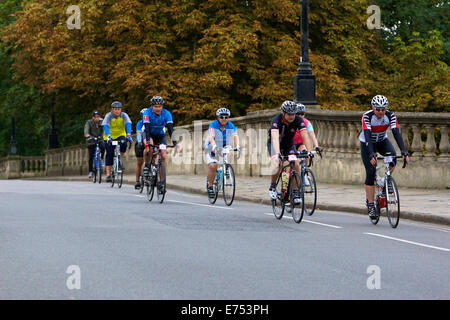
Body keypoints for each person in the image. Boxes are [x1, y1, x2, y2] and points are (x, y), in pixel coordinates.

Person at [359, 95, 409, 219]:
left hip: (382, 140)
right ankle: (370, 205)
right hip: (367, 142)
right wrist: (371, 153)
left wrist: (403, 151)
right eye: (378, 109)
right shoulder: (367, 116)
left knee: (393, 158)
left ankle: (386, 180)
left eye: (383, 109)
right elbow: (367, 135)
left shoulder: (390, 116)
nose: (381, 112)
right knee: (370, 171)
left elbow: (396, 132)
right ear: (373, 108)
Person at [268, 100, 312, 204]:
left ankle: (295, 192)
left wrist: (309, 152)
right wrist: (278, 153)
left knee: (295, 163)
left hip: (288, 145)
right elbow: (274, 138)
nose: (292, 117)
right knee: (277, 163)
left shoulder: (298, 120)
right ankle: (273, 186)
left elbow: (305, 135)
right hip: (276, 144)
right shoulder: (276, 120)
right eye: (289, 114)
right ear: (283, 113)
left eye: (293, 114)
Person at [142, 96, 177, 193]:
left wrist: (174, 142)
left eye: (160, 106)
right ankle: (147, 165)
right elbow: (147, 128)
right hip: (149, 134)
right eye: (156, 106)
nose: (158, 108)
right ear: (152, 107)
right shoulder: (147, 113)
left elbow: (170, 128)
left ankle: (162, 182)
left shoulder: (167, 114)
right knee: (150, 148)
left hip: (160, 135)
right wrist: (148, 141)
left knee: (163, 155)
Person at [204, 107, 241, 199]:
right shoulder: (213, 125)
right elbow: (211, 137)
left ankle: (226, 168)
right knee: (213, 165)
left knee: (231, 151)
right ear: (218, 117)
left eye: (226, 117)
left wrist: (238, 146)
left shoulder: (230, 125)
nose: (224, 119)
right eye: (221, 117)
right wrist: (214, 146)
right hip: (211, 145)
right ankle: (210, 186)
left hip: (224, 145)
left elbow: (235, 136)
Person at [102, 101, 132, 183]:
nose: (117, 111)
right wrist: (108, 135)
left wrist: (129, 134)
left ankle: (120, 158)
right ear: (112, 109)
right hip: (109, 136)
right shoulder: (108, 116)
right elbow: (105, 125)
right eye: (115, 109)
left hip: (120, 135)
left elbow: (128, 124)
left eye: (119, 109)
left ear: (121, 110)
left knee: (124, 144)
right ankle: (108, 175)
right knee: (110, 154)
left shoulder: (124, 115)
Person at [84, 111, 105, 178]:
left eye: (98, 117)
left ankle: (100, 160)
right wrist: (87, 134)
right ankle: (90, 171)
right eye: (95, 117)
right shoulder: (89, 122)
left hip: (99, 139)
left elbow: (105, 129)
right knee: (91, 156)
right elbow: (86, 129)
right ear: (93, 117)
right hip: (91, 140)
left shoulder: (101, 122)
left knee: (103, 147)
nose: (97, 118)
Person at [134, 108, 147, 189]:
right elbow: (139, 133)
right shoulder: (140, 123)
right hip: (140, 143)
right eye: (143, 116)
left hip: (148, 143)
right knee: (140, 162)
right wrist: (139, 142)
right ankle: (137, 181)